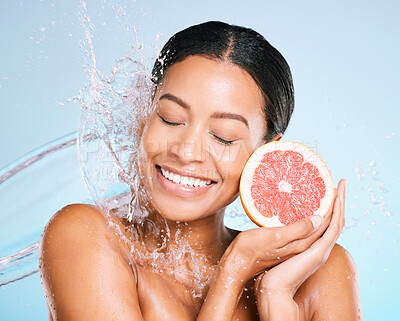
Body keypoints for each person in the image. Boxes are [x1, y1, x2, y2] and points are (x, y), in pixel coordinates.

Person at [39, 21, 362, 320]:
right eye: (169, 118)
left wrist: (275, 298)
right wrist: (232, 271)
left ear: (268, 153)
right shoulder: (85, 236)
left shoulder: (320, 274)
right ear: (143, 115)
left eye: (223, 137)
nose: (186, 151)